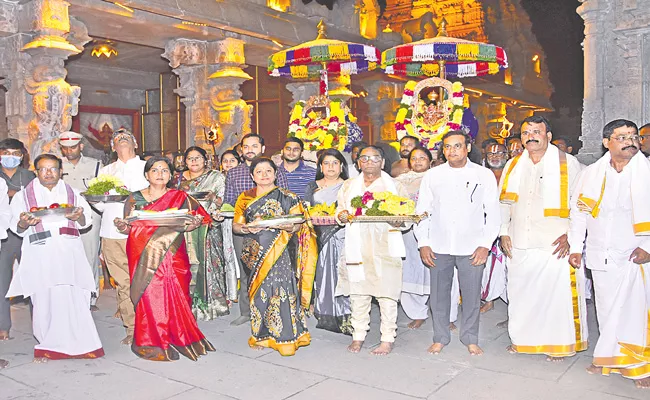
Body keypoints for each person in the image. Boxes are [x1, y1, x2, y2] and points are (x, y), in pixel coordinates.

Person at [569, 119, 650, 389]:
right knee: (605, 310)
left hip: (634, 254)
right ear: (607, 143)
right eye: (622, 136)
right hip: (599, 254)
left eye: (634, 136)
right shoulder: (591, 174)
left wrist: (647, 247)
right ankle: (607, 357)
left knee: (634, 311)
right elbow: (579, 213)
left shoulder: (646, 172)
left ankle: (638, 365)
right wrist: (575, 247)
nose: (630, 140)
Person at [499, 116, 588, 362]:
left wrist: (573, 235)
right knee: (521, 294)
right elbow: (503, 203)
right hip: (519, 240)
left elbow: (580, 205)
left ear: (548, 135)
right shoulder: (513, 164)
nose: (531, 136)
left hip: (554, 241)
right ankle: (523, 340)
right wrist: (503, 231)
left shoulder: (568, 164)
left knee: (556, 296)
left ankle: (559, 345)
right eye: (526, 132)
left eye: (537, 131)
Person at [115, 156, 215, 361]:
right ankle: (151, 340)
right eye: (155, 170)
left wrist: (194, 223)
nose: (160, 174)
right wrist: (122, 226)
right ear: (146, 175)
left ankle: (177, 335)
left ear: (171, 175)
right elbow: (129, 226)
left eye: (164, 170)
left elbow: (203, 218)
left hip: (173, 252)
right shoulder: (134, 198)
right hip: (143, 252)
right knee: (150, 295)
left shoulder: (180, 196)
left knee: (176, 290)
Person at [6, 154, 103, 362]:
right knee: (44, 297)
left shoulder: (74, 193)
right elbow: (16, 227)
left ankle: (83, 343)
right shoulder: (22, 197)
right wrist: (24, 222)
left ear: (61, 171)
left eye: (53, 169)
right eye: (43, 169)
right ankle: (49, 344)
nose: (48, 173)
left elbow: (85, 222)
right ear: (36, 172)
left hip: (69, 252)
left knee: (74, 294)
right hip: (40, 253)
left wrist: (79, 217)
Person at [415, 131, 500, 356]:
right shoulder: (433, 176)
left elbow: (492, 213)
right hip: (438, 245)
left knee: (472, 297)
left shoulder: (483, 175)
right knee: (438, 296)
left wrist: (486, 244)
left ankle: (470, 338)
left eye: (457, 146)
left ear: (468, 148)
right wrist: (423, 242)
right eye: (448, 147)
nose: (452, 151)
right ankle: (440, 337)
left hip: (472, 247)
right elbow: (422, 211)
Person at [232, 157, 317, 356]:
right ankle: (261, 335)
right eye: (259, 172)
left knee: (282, 290)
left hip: (281, 250)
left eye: (268, 171)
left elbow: (297, 224)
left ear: (275, 174)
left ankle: (288, 337)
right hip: (254, 251)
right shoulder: (244, 197)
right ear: (252, 176)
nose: (264, 175)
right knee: (259, 293)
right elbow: (236, 225)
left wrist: (284, 225)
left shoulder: (289, 197)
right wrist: (245, 228)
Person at [336, 145, 410, 356]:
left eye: (374, 158)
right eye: (364, 158)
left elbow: (405, 216)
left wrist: (398, 220)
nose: (369, 162)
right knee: (358, 293)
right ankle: (358, 335)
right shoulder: (349, 186)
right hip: (356, 246)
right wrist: (340, 216)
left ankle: (387, 339)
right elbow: (340, 210)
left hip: (386, 246)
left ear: (383, 162)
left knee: (387, 295)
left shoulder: (395, 186)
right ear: (358, 163)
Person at [224, 133, 290, 326]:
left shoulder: (275, 170)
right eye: (246, 146)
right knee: (245, 270)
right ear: (241, 150)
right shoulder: (234, 173)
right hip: (243, 228)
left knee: (273, 269)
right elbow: (229, 201)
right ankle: (246, 311)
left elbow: (284, 199)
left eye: (254, 145)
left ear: (262, 148)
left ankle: (275, 310)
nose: (250, 149)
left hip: (272, 229)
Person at [94, 128, 149, 345]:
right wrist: (100, 199)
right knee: (124, 283)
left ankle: (151, 324)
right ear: (112, 147)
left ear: (136, 144)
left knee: (144, 280)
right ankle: (133, 328)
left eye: (127, 137)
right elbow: (97, 204)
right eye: (117, 139)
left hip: (142, 232)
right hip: (111, 232)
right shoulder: (106, 171)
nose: (122, 139)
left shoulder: (148, 167)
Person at [174, 146, 229, 320]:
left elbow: (224, 202)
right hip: (186, 227)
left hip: (209, 226)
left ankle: (213, 305)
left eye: (198, 158)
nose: (194, 161)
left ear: (205, 159)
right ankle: (189, 304)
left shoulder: (216, 177)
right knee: (189, 264)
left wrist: (213, 199)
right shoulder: (178, 179)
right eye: (190, 158)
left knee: (210, 264)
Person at [304, 149, 351, 334]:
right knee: (322, 276)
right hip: (318, 236)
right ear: (320, 167)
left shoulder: (349, 186)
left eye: (335, 163)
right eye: (326, 163)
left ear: (341, 166)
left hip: (343, 236)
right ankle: (326, 315)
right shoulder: (312, 186)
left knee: (343, 275)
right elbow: (306, 210)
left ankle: (347, 316)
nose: (330, 167)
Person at [59, 131, 103, 311]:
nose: (69, 150)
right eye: (65, 147)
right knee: (64, 256)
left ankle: (90, 296)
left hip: (90, 215)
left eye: (73, 147)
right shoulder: (56, 165)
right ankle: (68, 296)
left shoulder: (96, 165)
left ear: (81, 146)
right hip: (63, 216)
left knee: (89, 256)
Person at [0, 138, 35, 341]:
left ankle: (39, 322)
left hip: (26, 233)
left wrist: (12, 194)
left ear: (22, 156)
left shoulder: (29, 176)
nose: (10, 157)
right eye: (6, 153)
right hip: (4, 235)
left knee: (32, 278)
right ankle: (3, 326)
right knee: (2, 281)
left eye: (15, 153)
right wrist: (11, 193)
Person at [396, 147, 433, 329]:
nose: (418, 162)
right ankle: (416, 312)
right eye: (414, 158)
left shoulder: (437, 178)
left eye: (422, 158)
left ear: (430, 161)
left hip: (431, 231)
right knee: (410, 269)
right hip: (407, 232)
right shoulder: (399, 181)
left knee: (432, 270)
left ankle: (441, 311)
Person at [480, 143, 509, 314]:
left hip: (509, 228)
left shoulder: (513, 175)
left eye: (499, 153)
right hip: (487, 227)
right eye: (491, 153)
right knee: (488, 266)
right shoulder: (482, 176)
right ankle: (489, 298)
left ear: (506, 155)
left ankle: (511, 305)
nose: (495, 156)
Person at [220, 149, 241, 302]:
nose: (228, 164)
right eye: (225, 161)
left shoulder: (241, 178)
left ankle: (236, 289)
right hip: (221, 220)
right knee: (226, 256)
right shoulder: (217, 178)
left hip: (236, 219)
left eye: (232, 160)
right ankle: (230, 291)